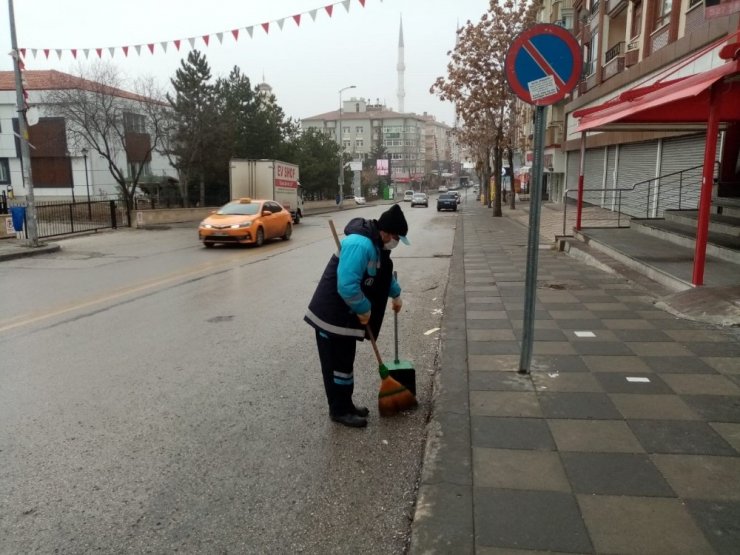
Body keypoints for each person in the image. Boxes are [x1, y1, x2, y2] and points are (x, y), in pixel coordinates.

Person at [305, 204, 409, 428]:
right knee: (336, 365)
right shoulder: (359, 244)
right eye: (397, 238)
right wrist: (364, 308)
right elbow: (346, 286)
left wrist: (396, 294)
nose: (396, 242)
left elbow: (382, 276)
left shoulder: (378, 246)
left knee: (345, 362)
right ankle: (339, 410)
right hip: (331, 314)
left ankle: (346, 404)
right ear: (387, 232)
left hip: (346, 314)